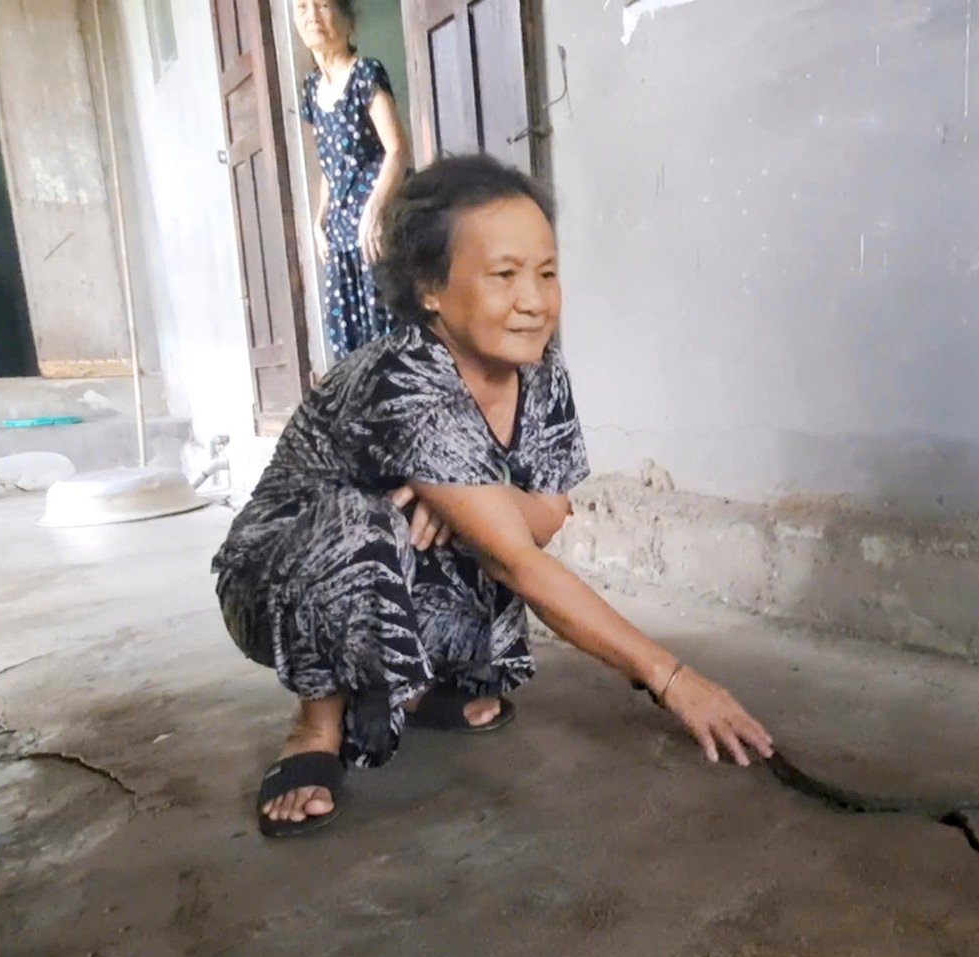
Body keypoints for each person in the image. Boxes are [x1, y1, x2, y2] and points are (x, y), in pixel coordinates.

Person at [213, 155, 776, 837]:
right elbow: (517, 557)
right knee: (366, 522)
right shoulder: (404, 380)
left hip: (392, 559)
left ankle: (411, 689)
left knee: (469, 531)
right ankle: (316, 727)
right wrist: (674, 679)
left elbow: (553, 509)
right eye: (504, 275)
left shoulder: (539, 370)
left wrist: (479, 508)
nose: (534, 300)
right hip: (276, 575)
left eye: (546, 273)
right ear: (429, 287)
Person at [295, 0, 407, 361]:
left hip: (374, 231)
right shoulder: (311, 89)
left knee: (388, 337)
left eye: (323, 5)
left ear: (349, 20)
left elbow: (396, 150)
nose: (312, 15)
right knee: (349, 345)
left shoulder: (366, 75)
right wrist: (319, 219)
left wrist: (374, 212)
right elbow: (331, 165)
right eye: (301, 7)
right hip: (340, 234)